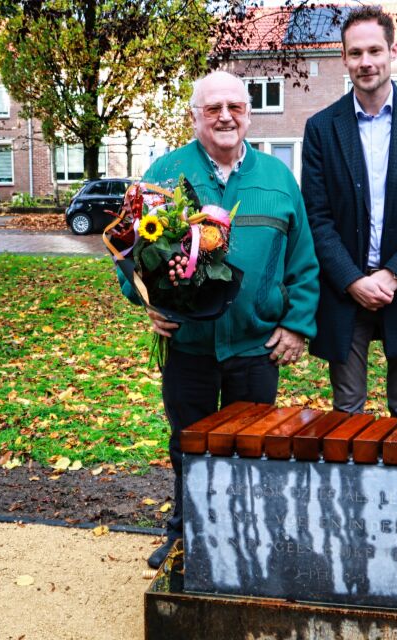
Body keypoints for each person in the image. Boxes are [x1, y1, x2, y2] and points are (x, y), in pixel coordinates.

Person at [120, 70, 321, 569]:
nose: (225, 117)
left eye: (235, 107)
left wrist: (296, 324)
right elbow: (130, 250)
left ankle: (243, 542)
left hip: (255, 346)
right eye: (213, 108)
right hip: (188, 344)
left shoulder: (277, 178)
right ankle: (186, 534)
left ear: (248, 114)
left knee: (248, 448)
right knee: (188, 445)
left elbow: (303, 260)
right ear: (195, 116)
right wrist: (148, 300)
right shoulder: (166, 172)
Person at [301, 7, 397, 419]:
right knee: (346, 411)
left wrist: (393, 274)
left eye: (374, 50)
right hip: (345, 289)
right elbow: (317, 217)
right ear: (344, 58)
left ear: (393, 51)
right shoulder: (321, 128)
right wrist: (353, 280)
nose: (365, 61)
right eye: (355, 53)